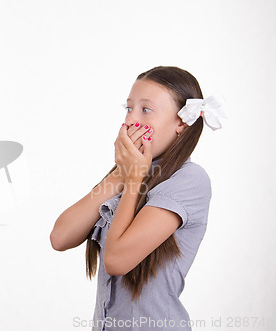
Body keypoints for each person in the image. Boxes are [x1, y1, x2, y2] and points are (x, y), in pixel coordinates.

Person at [50, 66, 224, 330]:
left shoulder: (190, 180)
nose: (131, 120)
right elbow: (60, 237)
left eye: (146, 109)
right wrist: (122, 174)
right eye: (128, 108)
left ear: (181, 122)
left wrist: (132, 178)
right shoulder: (128, 173)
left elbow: (117, 260)